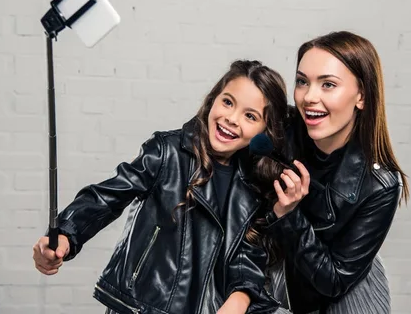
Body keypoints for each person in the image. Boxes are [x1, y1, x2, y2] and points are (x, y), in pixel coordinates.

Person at [32, 60, 289, 314]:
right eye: (228, 102)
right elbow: (107, 196)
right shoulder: (167, 152)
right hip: (141, 307)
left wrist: (240, 298)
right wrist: (66, 232)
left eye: (250, 116)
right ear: (213, 99)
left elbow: (247, 254)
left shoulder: (254, 186)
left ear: (263, 133)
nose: (232, 118)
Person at [264, 31, 409, 314]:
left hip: (341, 287)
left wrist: (290, 214)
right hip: (278, 271)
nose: (309, 97)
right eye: (302, 82)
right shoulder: (281, 129)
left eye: (328, 84)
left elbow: (334, 279)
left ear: (362, 97)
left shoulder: (380, 184)